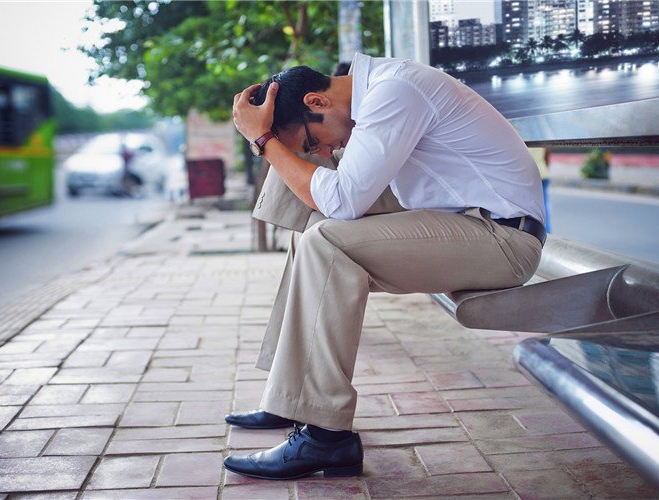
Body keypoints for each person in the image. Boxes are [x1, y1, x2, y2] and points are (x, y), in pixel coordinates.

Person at [225, 52, 546, 480]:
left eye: (311, 141)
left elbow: (344, 201)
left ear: (317, 103)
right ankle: (289, 393)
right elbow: (335, 196)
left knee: (327, 236)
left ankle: (326, 437)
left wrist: (265, 143)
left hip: (502, 238)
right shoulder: (373, 91)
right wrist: (272, 143)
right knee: (307, 220)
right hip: (459, 216)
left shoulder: (395, 92)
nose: (325, 150)